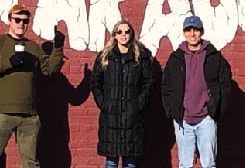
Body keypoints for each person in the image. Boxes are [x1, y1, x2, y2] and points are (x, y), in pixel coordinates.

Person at [0, 3, 65, 168]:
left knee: (30, 163)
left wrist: (58, 48)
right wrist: (9, 62)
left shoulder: (32, 47)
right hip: (1, 113)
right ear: (9, 20)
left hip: (29, 116)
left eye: (25, 21)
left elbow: (49, 69)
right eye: (17, 20)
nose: (21, 24)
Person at [162, 15, 232, 168]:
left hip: (206, 119)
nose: (192, 34)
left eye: (196, 30)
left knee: (209, 164)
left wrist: (214, 112)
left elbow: (225, 85)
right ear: (184, 32)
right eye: (188, 30)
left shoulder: (214, 56)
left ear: (201, 32)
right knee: (185, 164)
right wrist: (172, 112)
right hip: (183, 120)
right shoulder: (176, 58)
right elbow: (166, 86)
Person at [91, 19, 153, 168]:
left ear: (132, 34)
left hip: (132, 118)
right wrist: (104, 103)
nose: (123, 35)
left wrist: (138, 105)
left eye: (127, 31)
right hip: (110, 118)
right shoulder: (105, 57)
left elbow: (148, 83)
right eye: (120, 32)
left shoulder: (141, 57)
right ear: (114, 35)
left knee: (130, 162)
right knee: (111, 162)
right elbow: (95, 82)